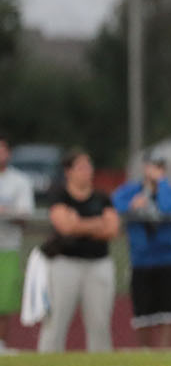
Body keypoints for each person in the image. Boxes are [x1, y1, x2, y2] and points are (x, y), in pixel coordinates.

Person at [37, 148, 119, 353]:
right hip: (65, 263)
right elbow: (64, 226)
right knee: (56, 319)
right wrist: (97, 223)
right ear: (68, 171)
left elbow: (112, 229)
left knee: (99, 322)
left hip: (98, 262)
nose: (87, 171)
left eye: (89, 166)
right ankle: (47, 361)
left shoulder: (101, 197)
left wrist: (79, 224)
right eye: (81, 166)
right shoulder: (59, 194)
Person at [111, 149, 171, 347]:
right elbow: (115, 203)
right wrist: (132, 205)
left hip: (167, 259)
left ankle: (165, 355)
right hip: (141, 260)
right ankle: (145, 353)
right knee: (143, 315)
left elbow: (168, 207)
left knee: (168, 313)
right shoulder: (132, 191)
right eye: (152, 166)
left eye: (160, 167)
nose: (155, 171)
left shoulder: (169, 190)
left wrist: (160, 183)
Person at [0, 136, 36, 352]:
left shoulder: (19, 181)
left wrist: (6, 212)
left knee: (3, 300)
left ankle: (1, 345)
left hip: (7, 247)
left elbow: (25, 215)